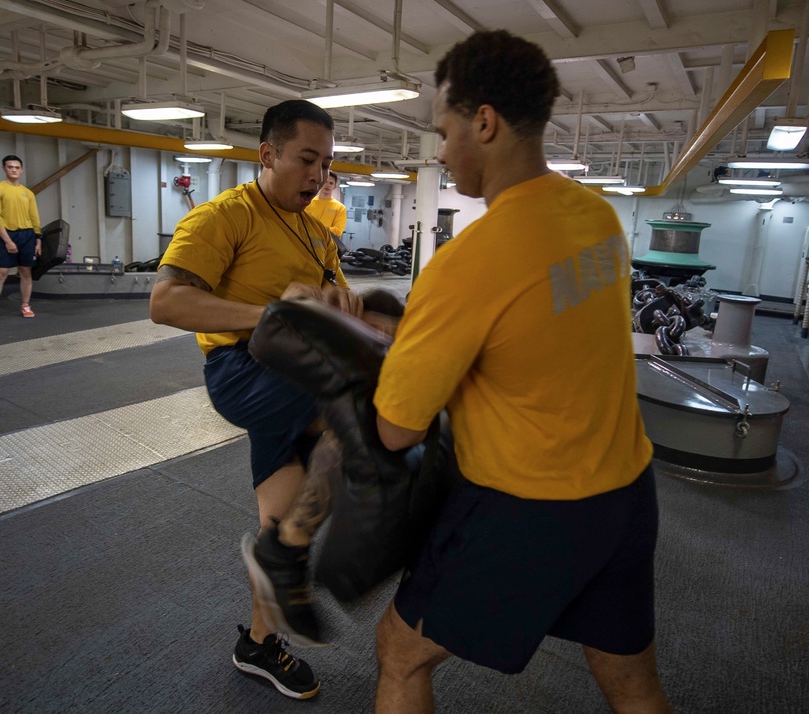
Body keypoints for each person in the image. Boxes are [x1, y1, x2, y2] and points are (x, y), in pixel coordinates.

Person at [371, 30, 672, 714]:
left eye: (444, 132)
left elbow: (394, 430)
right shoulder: (597, 221)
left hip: (528, 507)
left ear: (484, 122)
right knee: (631, 682)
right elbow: (541, 326)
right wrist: (416, 333)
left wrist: (400, 348)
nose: (443, 153)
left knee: (399, 652)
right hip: (624, 492)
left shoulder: (470, 260)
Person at [149, 99, 363, 701]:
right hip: (246, 371)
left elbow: (335, 304)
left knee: (281, 518)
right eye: (305, 160)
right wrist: (275, 313)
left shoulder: (318, 231)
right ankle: (288, 557)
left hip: (297, 373)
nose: (317, 176)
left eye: (325, 163)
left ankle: (259, 645)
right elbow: (165, 303)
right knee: (368, 408)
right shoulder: (223, 218)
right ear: (267, 154)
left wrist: (344, 305)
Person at [0, 155, 41, 324]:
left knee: (25, 272)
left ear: (21, 170)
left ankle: (25, 305)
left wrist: (38, 239)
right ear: (4, 169)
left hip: (27, 235)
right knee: (0, 273)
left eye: (16, 167)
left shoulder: (28, 193)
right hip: (5, 234)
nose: (14, 170)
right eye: (10, 167)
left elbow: (34, 217)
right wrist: (7, 240)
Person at [305, 171, 348, 250]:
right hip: (307, 247)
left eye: (331, 183)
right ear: (320, 183)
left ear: (334, 186)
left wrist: (315, 228)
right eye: (325, 181)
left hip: (328, 249)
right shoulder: (308, 203)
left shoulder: (340, 208)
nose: (328, 185)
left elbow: (338, 231)